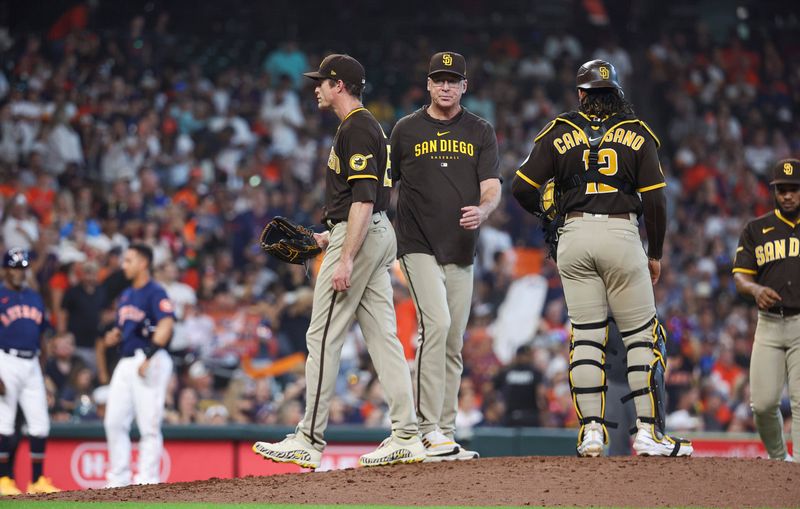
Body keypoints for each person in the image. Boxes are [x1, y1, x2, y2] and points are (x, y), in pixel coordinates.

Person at [511, 60, 692, 457]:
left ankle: (592, 432)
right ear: (615, 94)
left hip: (574, 237)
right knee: (642, 337)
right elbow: (656, 201)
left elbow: (521, 187)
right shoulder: (637, 134)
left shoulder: (559, 131)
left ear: (580, 94)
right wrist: (656, 252)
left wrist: (552, 214)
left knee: (587, 336)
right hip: (621, 233)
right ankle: (647, 432)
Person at [252, 54, 425, 469]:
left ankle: (309, 439)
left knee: (322, 335)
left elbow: (365, 198)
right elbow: (363, 201)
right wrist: (335, 232)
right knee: (383, 337)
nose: (316, 87)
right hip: (371, 231)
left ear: (339, 85)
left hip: (362, 235)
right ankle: (407, 434)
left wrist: (345, 254)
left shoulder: (358, 127)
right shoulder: (364, 127)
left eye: (322, 81)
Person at [390, 51, 500, 461]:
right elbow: (383, 186)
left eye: (453, 80)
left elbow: (491, 185)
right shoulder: (405, 130)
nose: (446, 86)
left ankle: (445, 433)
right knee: (435, 326)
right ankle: (424, 429)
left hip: (461, 251)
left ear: (464, 86)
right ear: (428, 84)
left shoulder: (480, 130)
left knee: (453, 342)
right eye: (439, 79)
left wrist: (484, 209)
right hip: (416, 246)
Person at [733, 158, 800, 462]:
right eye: (782, 189)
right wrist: (755, 289)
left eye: (794, 189)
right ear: (774, 191)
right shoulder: (756, 229)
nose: (788, 195)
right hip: (769, 325)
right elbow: (740, 276)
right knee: (761, 403)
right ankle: (779, 462)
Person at [102, 244, 175, 487]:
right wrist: (114, 336)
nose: (124, 265)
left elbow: (166, 324)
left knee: (149, 425)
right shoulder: (126, 295)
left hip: (149, 358)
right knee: (114, 421)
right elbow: (124, 328)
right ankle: (118, 478)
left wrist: (150, 355)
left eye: (129, 260)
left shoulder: (155, 291)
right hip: (126, 360)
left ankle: (147, 480)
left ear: (144, 263)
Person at [0, 248, 60, 495]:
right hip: (5, 359)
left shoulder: (35, 297)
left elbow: (43, 336)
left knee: (39, 423)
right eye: (14, 267)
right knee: (4, 423)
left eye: (22, 267)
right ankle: (3, 480)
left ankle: (37, 481)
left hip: (32, 362)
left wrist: (43, 373)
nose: (19, 272)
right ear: (5, 269)